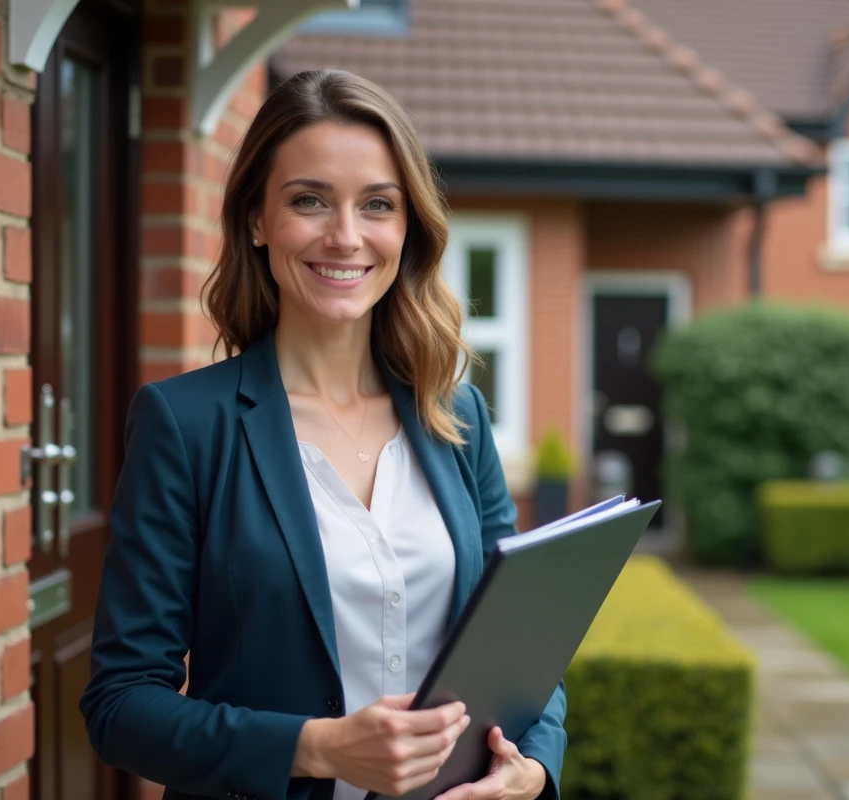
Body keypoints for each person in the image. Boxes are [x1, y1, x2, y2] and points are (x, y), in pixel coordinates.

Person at [78, 69, 567, 800]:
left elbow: (525, 647)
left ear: (407, 228)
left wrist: (530, 771)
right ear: (256, 219)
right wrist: (318, 747)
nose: (345, 236)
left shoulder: (457, 416)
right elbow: (119, 705)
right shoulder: (185, 425)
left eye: (377, 204)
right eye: (309, 200)